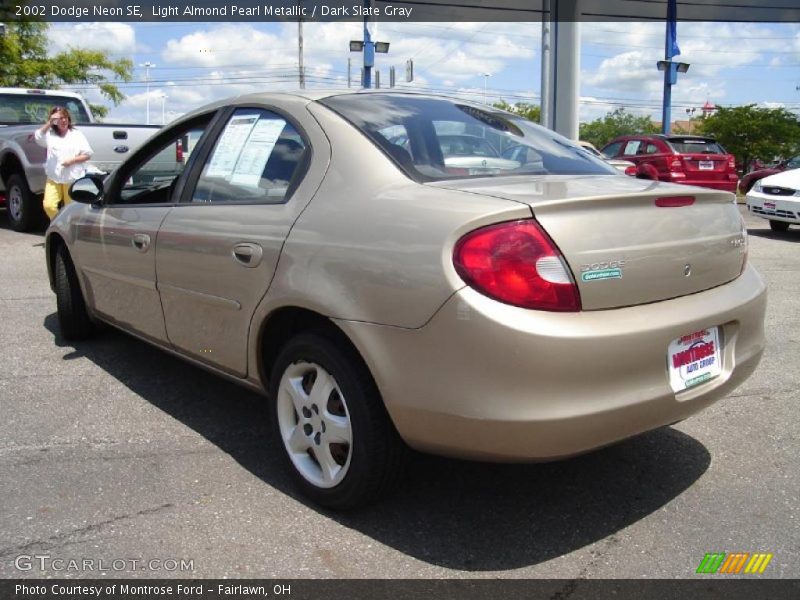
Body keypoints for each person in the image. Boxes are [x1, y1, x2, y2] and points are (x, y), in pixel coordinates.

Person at [34, 106, 94, 220]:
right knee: (49, 206)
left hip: (72, 177)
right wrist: (50, 122)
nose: (63, 120)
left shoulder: (76, 134)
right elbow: (38, 137)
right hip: (54, 177)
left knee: (70, 208)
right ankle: (59, 223)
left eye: (65, 117)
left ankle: (67, 228)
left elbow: (87, 154)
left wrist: (72, 161)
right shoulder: (50, 134)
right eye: (59, 118)